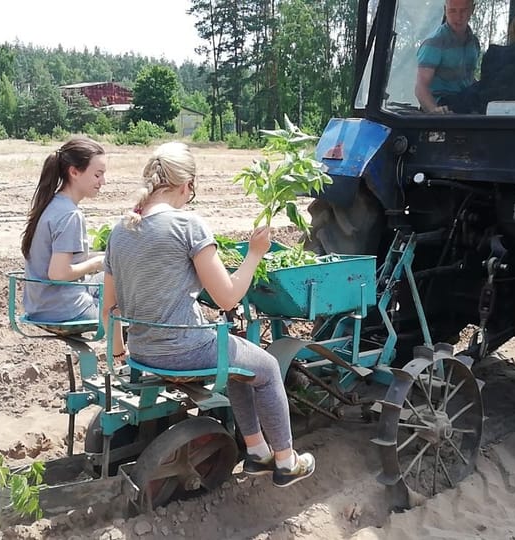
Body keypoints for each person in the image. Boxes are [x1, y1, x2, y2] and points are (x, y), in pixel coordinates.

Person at [102, 141, 316, 488]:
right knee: (267, 367)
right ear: (187, 186)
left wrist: (117, 352)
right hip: (186, 350)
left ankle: (258, 451)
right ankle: (287, 461)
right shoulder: (188, 226)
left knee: (239, 368)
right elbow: (228, 298)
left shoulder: (120, 230)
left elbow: (109, 307)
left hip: (143, 352)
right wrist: (254, 254)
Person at [21, 137, 108, 322]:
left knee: (111, 277)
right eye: (98, 174)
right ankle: (120, 349)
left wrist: (100, 258)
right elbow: (59, 274)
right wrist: (95, 263)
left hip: (41, 306)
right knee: (129, 294)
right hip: (65, 310)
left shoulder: (51, 203)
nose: (103, 181)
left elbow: (65, 261)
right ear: (74, 172)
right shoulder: (70, 215)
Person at [415, 0, 481, 114]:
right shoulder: (434, 43)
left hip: (465, 101)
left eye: (463, 11)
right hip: (443, 104)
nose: (458, 17)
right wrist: (434, 110)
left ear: (472, 10)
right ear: (445, 10)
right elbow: (421, 87)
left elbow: (468, 79)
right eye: (452, 11)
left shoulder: (474, 43)